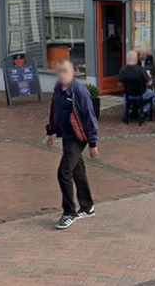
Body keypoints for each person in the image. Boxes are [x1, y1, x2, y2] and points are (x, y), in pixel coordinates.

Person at [45, 60, 99, 230]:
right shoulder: (58, 89)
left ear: (73, 72)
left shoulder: (79, 91)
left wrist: (92, 143)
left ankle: (69, 212)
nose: (62, 74)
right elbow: (54, 111)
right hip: (67, 135)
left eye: (65, 71)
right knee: (77, 170)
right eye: (60, 71)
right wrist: (50, 132)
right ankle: (87, 207)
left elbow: (90, 118)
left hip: (78, 136)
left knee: (64, 171)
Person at [119, 50, 155, 123]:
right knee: (153, 95)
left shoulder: (122, 70)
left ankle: (127, 112)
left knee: (124, 95)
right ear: (136, 59)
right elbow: (149, 83)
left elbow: (120, 84)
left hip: (129, 96)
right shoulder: (141, 70)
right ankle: (143, 111)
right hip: (141, 95)